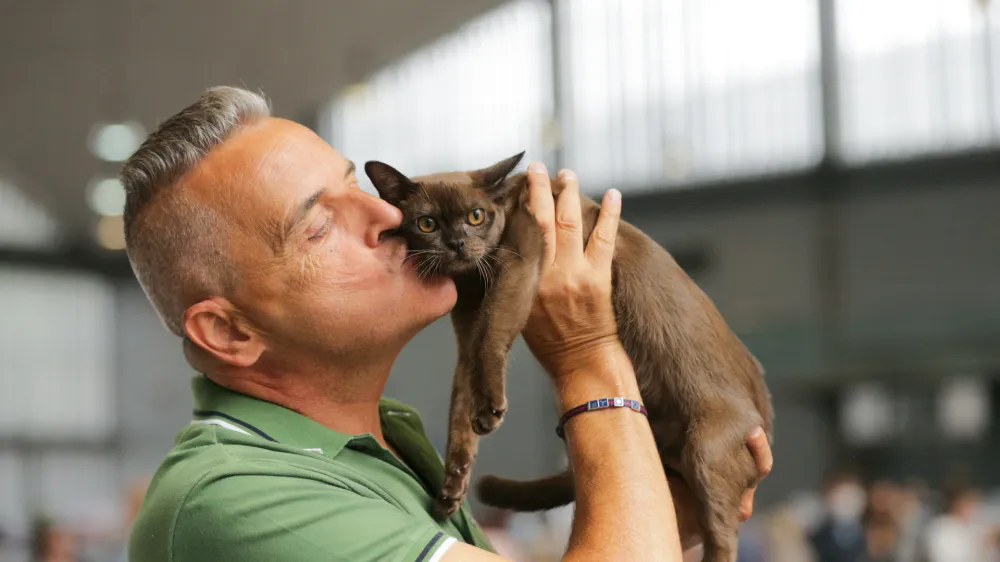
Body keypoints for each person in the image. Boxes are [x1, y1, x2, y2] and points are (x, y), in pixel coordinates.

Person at [122, 86, 773, 562]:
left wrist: (658, 518)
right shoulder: (235, 500)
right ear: (231, 333)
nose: (387, 217)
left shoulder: (390, 440)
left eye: (358, 187)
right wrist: (587, 356)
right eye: (320, 225)